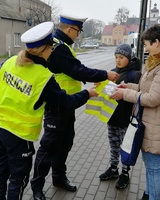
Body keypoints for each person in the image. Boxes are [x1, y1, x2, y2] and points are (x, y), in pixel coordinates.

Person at [0, 21, 98, 200]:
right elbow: (65, 103)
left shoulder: (8, 62)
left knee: (1, 170)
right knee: (18, 178)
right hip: (18, 135)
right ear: (44, 49)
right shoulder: (43, 76)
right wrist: (88, 93)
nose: (52, 51)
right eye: (51, 48)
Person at [30, 14, 119, 198]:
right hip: (57, 105)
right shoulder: (57, 48)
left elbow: (75, 68)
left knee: (65, 142)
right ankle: (37, 186)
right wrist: (105, 74)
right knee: (49, 146)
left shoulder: (62, 46)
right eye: (77, 31)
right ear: (69, 29)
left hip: (68, 104)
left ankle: (58, 177)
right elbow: (77, 71)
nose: (77, 35)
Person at [109, 24, 160, 200]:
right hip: (149, 122)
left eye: (147, 44)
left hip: (157, 125)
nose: (145, 48)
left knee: (154, 169)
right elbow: (144, 88)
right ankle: (148, 195)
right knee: (150, 168)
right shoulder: (159, 62)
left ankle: (153, 196)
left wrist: (124, 93)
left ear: (156, 42)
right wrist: (128, 86)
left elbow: (153, 98)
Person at [99, 44, 142, 189]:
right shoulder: (112, 72)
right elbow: (106, 92)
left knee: (125, 146)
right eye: (116, 57)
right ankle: (113, 169)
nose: (118, 60)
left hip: (126, 118)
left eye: (121, 57)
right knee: (113, 144)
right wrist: (100, 85)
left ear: (129, 58)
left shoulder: (135, 75)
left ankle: (125, 173)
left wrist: (122, 93)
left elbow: (137, 96)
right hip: (112, 117)